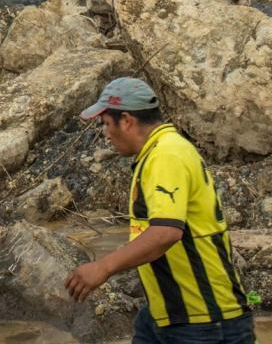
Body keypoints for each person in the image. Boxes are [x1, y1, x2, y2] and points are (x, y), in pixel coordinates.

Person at [65, 77, 254, 344]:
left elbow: (166, 232)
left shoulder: (167, 154)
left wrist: (103, 267)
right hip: (166, 314)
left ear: (127, 121)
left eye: (107, 124)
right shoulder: (156, 153)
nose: (106, 134)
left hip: (202, 321)